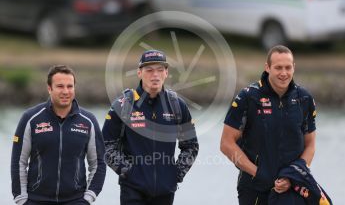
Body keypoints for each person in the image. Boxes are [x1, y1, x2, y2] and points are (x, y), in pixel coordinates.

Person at [220, 45, 317, 204]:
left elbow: (311, 145)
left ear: (294, 68)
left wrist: (293, 175)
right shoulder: (248, 97)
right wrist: (258, 173)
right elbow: (226, 143)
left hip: (292, 187)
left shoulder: (304, 98)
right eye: (278, 68)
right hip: (255, 188)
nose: (284, 73)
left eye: (288, 67)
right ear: (267, 68)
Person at [102, 50, 199, 205]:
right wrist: (127, 171)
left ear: (166, 73)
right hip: (132, 191)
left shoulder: (177, 105)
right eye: (149, 70)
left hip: (165, 193)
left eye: (160, 70)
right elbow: (105, 146)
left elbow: (191, 146)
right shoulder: (123, 105)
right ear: (139, 73)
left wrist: (176, 173)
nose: (155, 75)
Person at [11, 65, 106, 205]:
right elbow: (18, 162)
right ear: (49, 88)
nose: (66, 91)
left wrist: (88, 198)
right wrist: (21, 199)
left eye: (70, 86)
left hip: (75, 200)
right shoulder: (30, 118)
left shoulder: (88, 121)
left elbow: (98, 163)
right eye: (60, 86)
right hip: (36, 200)